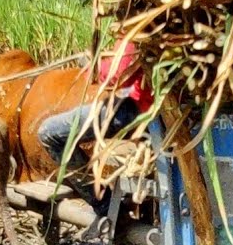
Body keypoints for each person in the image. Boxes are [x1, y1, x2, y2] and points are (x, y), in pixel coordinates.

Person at [37, 38, 151, 227]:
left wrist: (95, 66)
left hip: (138, 108)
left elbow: (119, 74)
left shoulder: (139, 25)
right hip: (146, 104)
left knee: (49, 133)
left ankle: (104, 204)